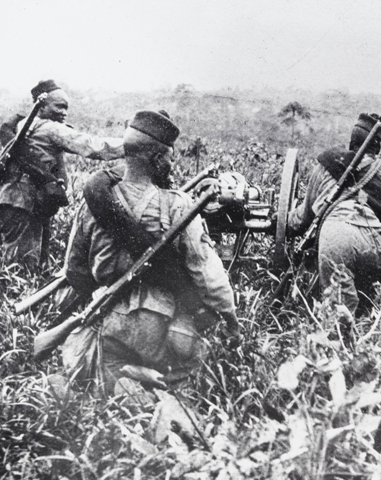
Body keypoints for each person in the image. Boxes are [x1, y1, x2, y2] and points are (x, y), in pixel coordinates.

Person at [61, 110, 241, 396]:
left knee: (103, 393)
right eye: (170, 157)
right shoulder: (179, 205)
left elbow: (74, 270)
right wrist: (231, 321)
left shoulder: (92, 205)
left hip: (109, 323)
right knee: (184, 392)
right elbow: (208, 275)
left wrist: (103, 295)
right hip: (165, 329)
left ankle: (123, 381)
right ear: (157, 159)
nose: (172, 164)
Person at [287, 113, 381, 316]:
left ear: (351, 141)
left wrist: (281, 222)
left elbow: (303, 218)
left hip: (334, 237)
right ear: (377, 146)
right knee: (371, 304)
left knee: (339, 314)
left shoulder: (326, 163)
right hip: (372, 238)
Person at [0, 79, 124, 268]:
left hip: (12, 199)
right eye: (59, 107)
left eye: (66, 108)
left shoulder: (22, 125)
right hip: (27, 200)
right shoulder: (50, 128)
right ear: (41, 107)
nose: (64, 113)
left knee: (16, 261)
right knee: (24, 264)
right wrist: (131, 145)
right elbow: (91, 145)